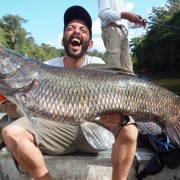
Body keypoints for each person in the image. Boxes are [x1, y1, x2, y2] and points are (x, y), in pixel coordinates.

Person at [1, 6, 138, 180]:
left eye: (83, 29)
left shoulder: (98, 64)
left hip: (94, 130)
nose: (76, 32)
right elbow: (18, 106)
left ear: (90, 43)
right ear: (62, 40)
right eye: (71, 28)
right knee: (11, 132)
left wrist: (120, 116)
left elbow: (121, 105)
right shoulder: (45, 67)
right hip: (57, 131)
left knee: (130, 129)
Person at [98, 0, 146, 72]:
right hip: (111, 30)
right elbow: (103, 14)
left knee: (129, 71)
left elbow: (124, 22)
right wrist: (125, 15)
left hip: (123, 33)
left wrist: (139, 23)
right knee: (115, 69)